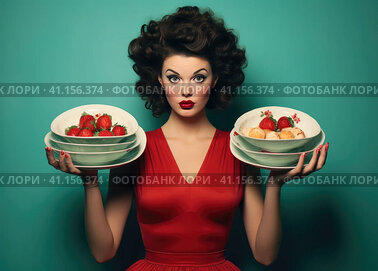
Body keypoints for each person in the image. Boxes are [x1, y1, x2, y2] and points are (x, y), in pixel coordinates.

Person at [45, 6, 329, 270]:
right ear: (158, 79)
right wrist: (90, 180)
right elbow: (103, 252)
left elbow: (264, 255)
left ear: (215, 80)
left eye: (198, 78)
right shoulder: (134, 147)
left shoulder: (241, 147)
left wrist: (276, 182)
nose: (186, 91)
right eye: (173, 78)